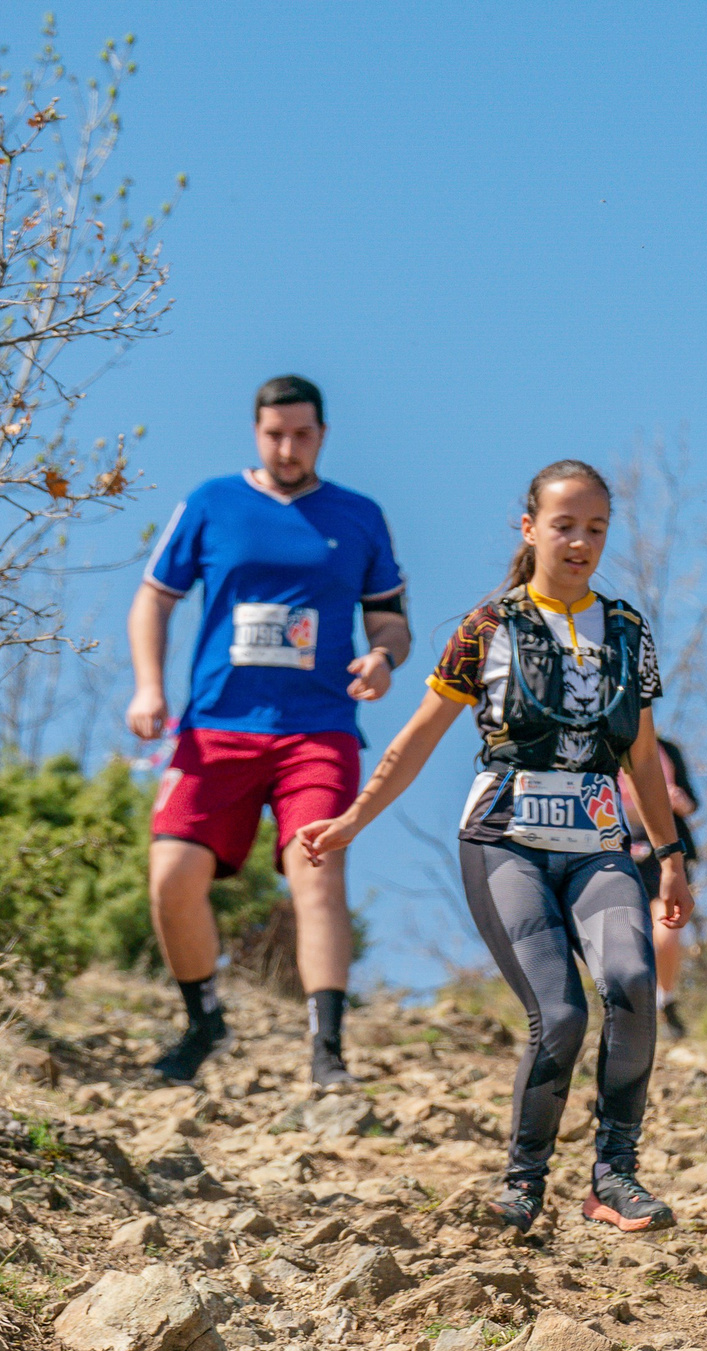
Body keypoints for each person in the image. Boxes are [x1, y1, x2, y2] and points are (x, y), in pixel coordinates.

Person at [296, 460, 694, 1237]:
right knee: (561, 1011)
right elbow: (416, 739)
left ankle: (614, 1174)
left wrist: (671, 855)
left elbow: (643, 757)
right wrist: (352, 819)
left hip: (600, 842)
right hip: (504, 840)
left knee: (633, 978)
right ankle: (524, 1181)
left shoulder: (626, 630)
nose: (580, 542)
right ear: (530, 528)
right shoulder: (489, 626)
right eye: (564, 525)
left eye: (596, 528)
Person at [125, 374, 411, 1088]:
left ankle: (326, 1049)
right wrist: (150, 685)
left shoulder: (360, 514)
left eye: (303, 434)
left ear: (322, 435)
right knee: (171, 878)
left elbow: (390, 619)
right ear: (256, 432)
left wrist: (382, 657)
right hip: (215, 727)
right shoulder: (211, 503)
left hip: (316, 731)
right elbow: (153, 600)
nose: (288, 447)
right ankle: (203, 1021)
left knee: (318, 873)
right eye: (275, 434)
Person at [623, 735, 698, 1038]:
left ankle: (664, 1001)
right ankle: (626, 1013)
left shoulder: (668, 749)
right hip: (614, 852)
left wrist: (678, 801)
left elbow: (692, 804)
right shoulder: (597, 746)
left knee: (665, 936)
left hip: (664, 856)